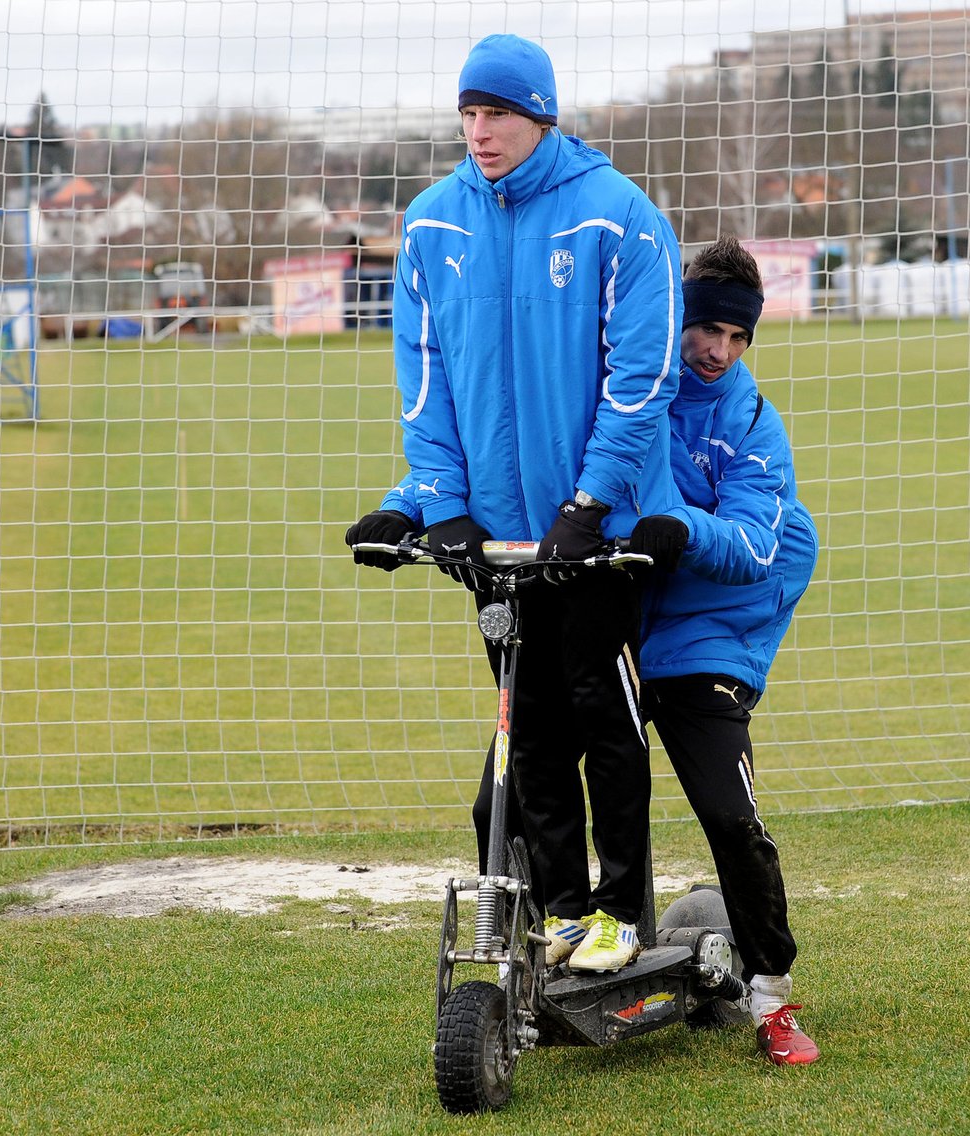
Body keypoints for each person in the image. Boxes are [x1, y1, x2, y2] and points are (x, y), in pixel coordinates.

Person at [350, 32, 684, 974]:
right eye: (468, 113)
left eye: (497, 113)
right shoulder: (431, 224)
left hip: (600, 537)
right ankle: (567, 911)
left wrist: (592, 503)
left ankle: (624, 909)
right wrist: (445, 507)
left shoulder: (617, 216)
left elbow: (643, 375)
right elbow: (424, 382)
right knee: (527, 725)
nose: (480, 131)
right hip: (498, 541)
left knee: (604, 718)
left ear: (541, 114)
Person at [627, 234, 820, 1065]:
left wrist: (681, 527)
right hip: (621, 622)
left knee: (731, 819)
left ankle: (771, 995)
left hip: (712, 629)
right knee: (538, 789)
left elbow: (748, 545)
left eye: (737, 337)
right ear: (676, 318)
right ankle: (578, 950)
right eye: (707, 328)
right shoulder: (630, 386)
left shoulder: (751, 420)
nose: (718, 350)